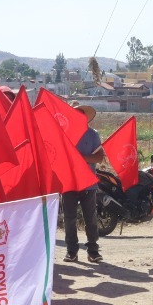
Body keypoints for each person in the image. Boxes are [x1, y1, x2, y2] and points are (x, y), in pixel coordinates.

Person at [62, 104, 106, 265]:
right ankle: (71, 251)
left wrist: (79, 157)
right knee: (69, 218)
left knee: (91, 218)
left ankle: (93, 251)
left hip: (88, 183)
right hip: (69, 182)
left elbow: (99, 158)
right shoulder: (64, 134)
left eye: (81, 115)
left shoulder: (93, 135)